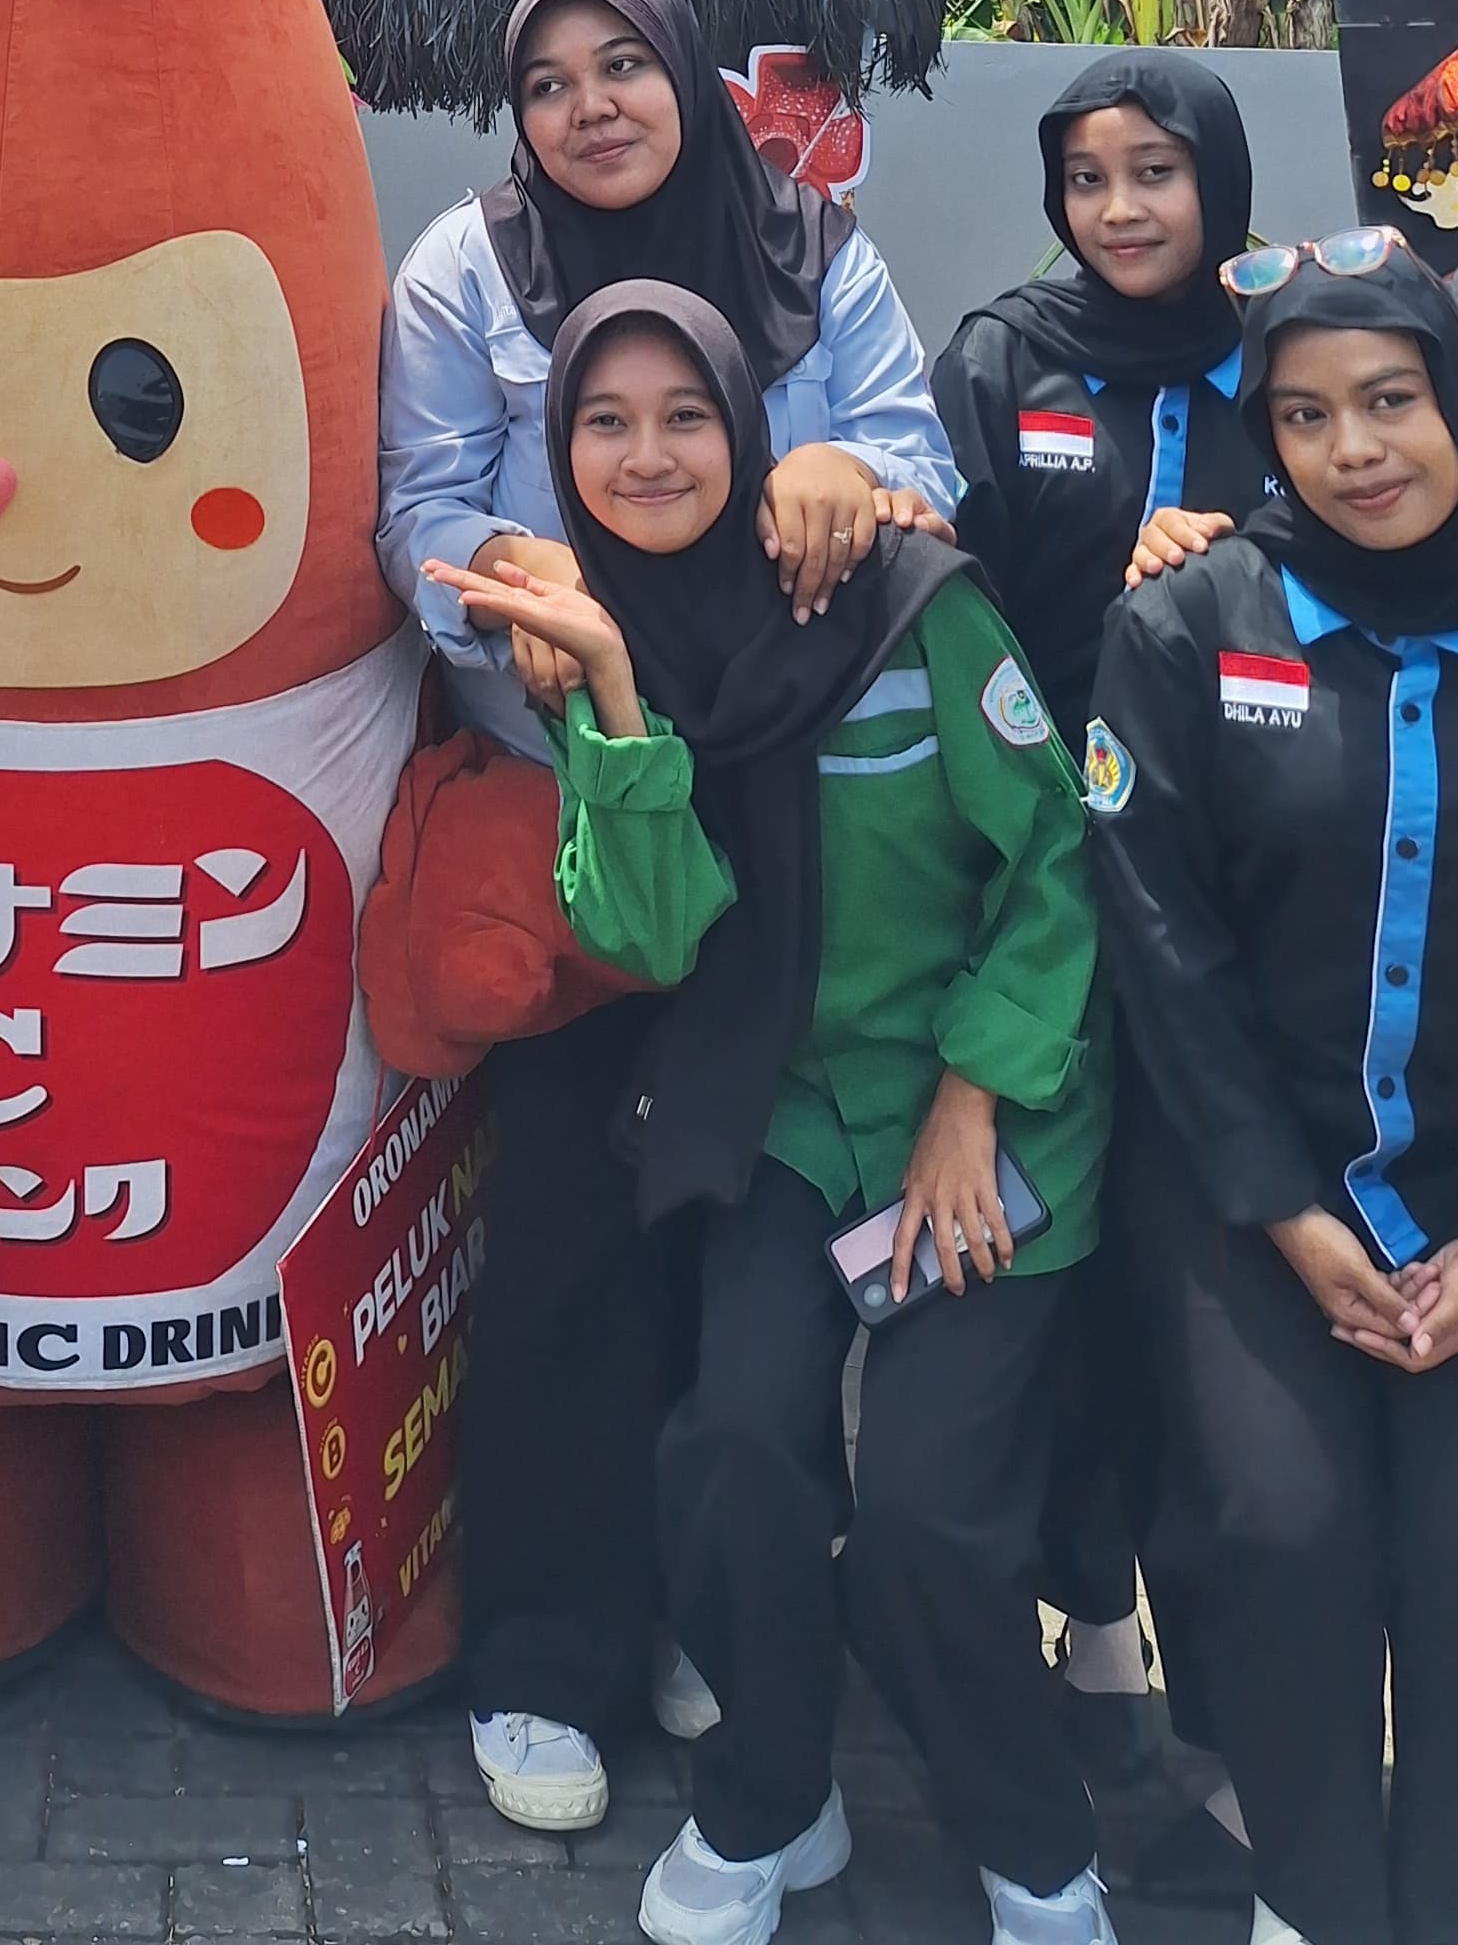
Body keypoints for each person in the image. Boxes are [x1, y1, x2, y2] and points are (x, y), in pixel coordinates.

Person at [443, 285, 1113, 1945]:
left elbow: (1055, 863)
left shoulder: (904, 594)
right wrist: (612, 695)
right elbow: (659, 935)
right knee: (734, 1449)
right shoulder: (599, 645)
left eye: (687, 415)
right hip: (787, 1125)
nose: (649, 455)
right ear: (558, 454)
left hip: (989, 1118)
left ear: (750, 427)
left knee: (930, 1515)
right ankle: (769, 1792)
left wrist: (973, 1096)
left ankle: (1038, 1851)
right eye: (605, 423)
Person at [377, 0, 954, 1829]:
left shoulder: (812, 250)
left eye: (622, 64)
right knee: (568, 1239)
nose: (589, 108)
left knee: (750, 1239)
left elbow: (921, 463)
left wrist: (849, 462)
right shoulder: (467, 268)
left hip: (798, 824)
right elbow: (412, 510)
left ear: (688, 76)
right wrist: (513, 569)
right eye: (547, 81)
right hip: (574, 829)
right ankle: (547, 1649)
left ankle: (713, 1600)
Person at [1090, 238, 1458, 1945]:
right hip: (1258, 1204)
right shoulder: (1186, 630)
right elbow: (1165, 951)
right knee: (1281, 1542)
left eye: (1393, 400)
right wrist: (1284, 1209)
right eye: (1307, 415)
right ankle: (1317, 1897)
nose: (1356, 449)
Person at [935, 54, 1264, 1801]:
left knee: (1188, 1272)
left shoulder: (1291, 353)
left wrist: (1238, 567)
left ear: (1222, 178)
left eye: (1157, 171)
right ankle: (1083, 1607)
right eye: (1088, 177)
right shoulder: (1007, 358)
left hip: (1242, 893)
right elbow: (948, 598)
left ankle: (1224, 1676)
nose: (1121, 209)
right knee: (1050, 1267)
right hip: (1042, 888)